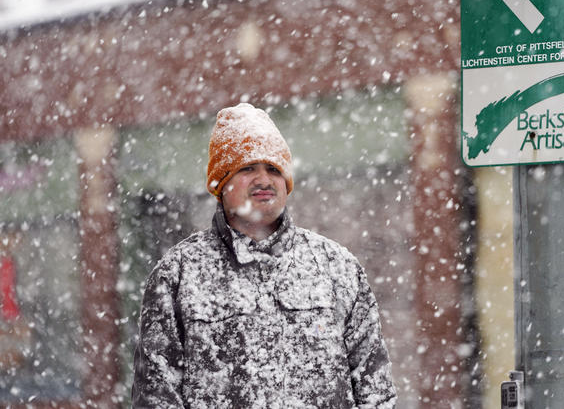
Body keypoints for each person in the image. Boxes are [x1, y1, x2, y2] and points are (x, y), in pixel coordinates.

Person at [132, 103, 397, 408]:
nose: (264, 180)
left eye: (274, 169)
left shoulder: (338, 267)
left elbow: (376, 394)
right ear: (221, 183)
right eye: (248, 168)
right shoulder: (177, 275)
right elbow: (156, 398)